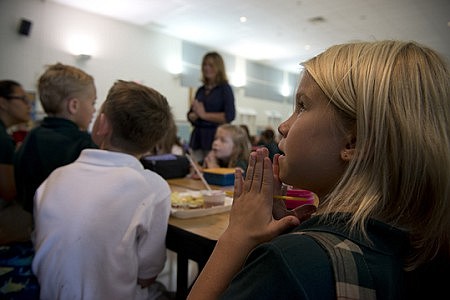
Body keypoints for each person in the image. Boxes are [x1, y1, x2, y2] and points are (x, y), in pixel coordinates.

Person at [187, 40, 450, 299]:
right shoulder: (416, 245)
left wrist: (237, 237)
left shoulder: (288, 265)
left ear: (354, 141)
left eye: (302, 106)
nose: (283, 126)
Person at [32, 80, 174, 300]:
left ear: (103, 125)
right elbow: (147, 276)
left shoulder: (55, 177)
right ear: (153, 143)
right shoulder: (153, 187)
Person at [14, 63, 98, 214]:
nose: (94, 110)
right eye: (93, 103)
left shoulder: (31, 136)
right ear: (74, 105)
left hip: (34, 218)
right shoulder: (84, 143)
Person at [187, 51, 236, 163]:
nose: (206, 68)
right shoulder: (201, 90)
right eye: (204, 65)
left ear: (218, 68)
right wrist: (192, 116)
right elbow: (191, 113)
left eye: (210, 65)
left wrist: (204, 115)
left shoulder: (225, 89)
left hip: (214, 137)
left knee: (211, 168)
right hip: (198, 138)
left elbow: (229, 116)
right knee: (195, 170)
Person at [0, 80, 32, 206]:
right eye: (23, 99)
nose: (29, 105)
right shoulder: (3, 140)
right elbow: (8, 192)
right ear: (2, 103)